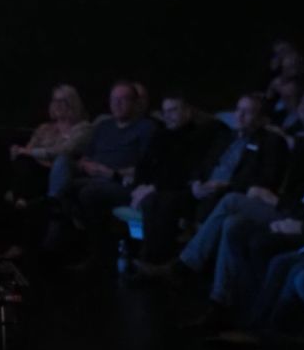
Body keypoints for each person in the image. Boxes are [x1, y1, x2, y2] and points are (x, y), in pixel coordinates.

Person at [44, 80, 158, 266]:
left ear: (135, 103)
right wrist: (86, 165)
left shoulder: (146, 128)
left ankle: (98, 253)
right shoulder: (104, 126)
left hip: (120, 182)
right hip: (92, 176)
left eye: (123, 99)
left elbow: (145, 168)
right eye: (113, 100)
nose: (117, 104)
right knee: (64, 174)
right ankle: (59, 232)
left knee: (86, 192)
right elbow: (85, 157)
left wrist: (110, 172)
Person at [129, 90, 230, 264]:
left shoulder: (198, 136)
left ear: (187, 111)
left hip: (181, 188)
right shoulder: (160, 135)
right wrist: (140, 186)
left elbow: (184, 172)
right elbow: (143, 164)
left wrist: (153, 187)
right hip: (154, 187)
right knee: (147, 200)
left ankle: (154, 261)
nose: (168, 116)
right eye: (165, 111)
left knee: (157, 201)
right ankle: (143, 257)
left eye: (173, 110)